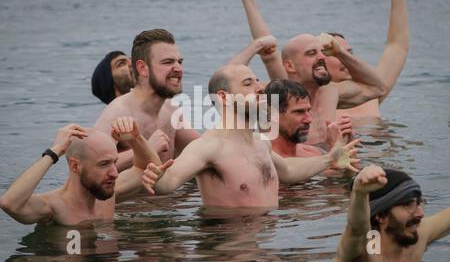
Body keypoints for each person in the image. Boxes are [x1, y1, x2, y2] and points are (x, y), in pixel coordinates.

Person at [142, 64, 360, 208]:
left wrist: (331, 158)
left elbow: (289, 170)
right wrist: (155, 176)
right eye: (248, 84)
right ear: (224, 97)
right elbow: (169, 182)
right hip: (230, 249)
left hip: (266, 246)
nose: (260, 88)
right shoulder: (209, 147)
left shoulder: (260, 142)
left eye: (258, 81)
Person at [231, 0, 388, 145]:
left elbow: (379, 88)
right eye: (311, 53)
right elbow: (262, 56)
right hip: (296, 167)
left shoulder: (332, 92)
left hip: (330, 165)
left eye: (323, 52)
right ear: (290, 67)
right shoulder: (278, 93)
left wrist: (340, 52)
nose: (321, 57)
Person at [0, 117, 161, 226]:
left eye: (115, 162)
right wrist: (53, 152)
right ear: (75, 166)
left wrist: (136, 138)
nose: (115, 173)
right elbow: (10, 204)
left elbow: (149, 169)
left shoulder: (109, 194)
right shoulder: (54, 208)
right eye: (104, 164)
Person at [94, 29, 199, 172]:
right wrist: (144, 150)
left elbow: (201, 149)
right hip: (135, 194)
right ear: (143, 68)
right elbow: (92, 167)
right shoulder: (118, 112)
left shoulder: (171, 110)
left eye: (179, 62)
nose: (178, 68)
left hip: (170, 192)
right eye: (168, 62)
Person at [327, 0, 409, 118]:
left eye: (349, 53)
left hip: (378, 141)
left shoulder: (370, 92)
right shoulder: (308, 101)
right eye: (337, 53)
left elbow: (398, 46)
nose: (346, 57)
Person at [336, 165, 450, 262]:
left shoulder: (417, 235)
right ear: (381, 216)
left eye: (418, 202)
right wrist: (360, 193)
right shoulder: (368, 251)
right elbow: (357, 229)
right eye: (408, 204)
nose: (421, 213)